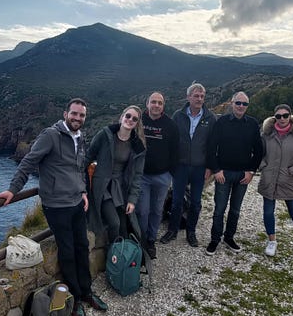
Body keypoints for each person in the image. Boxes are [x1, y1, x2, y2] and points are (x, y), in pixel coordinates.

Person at [0, 98, 107, 316]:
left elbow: (79, 169)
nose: (77, 118)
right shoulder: (50, 135)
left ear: (85, 118)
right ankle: (74, 301)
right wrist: (13, 190)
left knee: (82, 246)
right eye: (74, 114)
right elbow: (28, 161)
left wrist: (83, 191)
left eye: (81, 115)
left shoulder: (80, 137)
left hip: (75, 202)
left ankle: (86, 291)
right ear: (66, 114)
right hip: (56, 205)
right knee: (67, 252)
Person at [257, 104, 293, 267]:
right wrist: (263, 166)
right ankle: (272, 240)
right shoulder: (267, 134)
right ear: (274, 117)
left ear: (290, 116)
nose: (282, 118)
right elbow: (258, 153)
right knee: (268, 212)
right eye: (278, 116)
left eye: (285, 115)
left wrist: (292, 171)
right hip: (269, 179)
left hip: (288, 181)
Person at [205, 91, 263, 255]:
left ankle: (229, 237)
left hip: (242, 176)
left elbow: (258, 151)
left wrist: (251, 171)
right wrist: (216, 170)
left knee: (235, 210)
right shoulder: (221, 122)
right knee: (219, 209)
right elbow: (211, 147)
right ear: (232, 103)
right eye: (238, 103)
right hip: (223, 173)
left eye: (245, 104)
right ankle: (215, 239)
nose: (241, 106)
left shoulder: (252, 124)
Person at [160, 82, 216, 247]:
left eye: (202, 96)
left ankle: (191, 232)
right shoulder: (178, 115)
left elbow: (212, 145)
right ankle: (172, 230)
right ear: (188, 97)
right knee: (177, 201)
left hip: (200, 167)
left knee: (196, 202)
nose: (199, 99)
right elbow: (171, 141)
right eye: (196, 96)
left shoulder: (210, 118)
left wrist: (210, 167)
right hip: (181, 166)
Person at [85, 105, 146, 245]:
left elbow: (137, 175)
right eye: (128, 116)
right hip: (102, 186)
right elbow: (88, 157)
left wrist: (132, 200)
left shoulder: (137, 146)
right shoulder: (105, 135)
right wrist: (79, 184)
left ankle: (122, 260)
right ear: (122, 117)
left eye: (134, 119)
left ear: (137, 123)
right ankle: (113, 258)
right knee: (114, 223)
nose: (130, 120)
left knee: (124, 227)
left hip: (120, 189)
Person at [136, 92, 179, 259]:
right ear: (147, 103)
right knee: (142, 210)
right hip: (142, 176)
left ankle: (151, 240)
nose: (156, 105)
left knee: (156, 210)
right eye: (153, 102)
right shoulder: (138, 121)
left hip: (162, 176)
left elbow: (176, 151)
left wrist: (171, 173)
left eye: (159, 103)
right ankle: (141, 240)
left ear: (163, 106)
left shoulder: (170, 125)